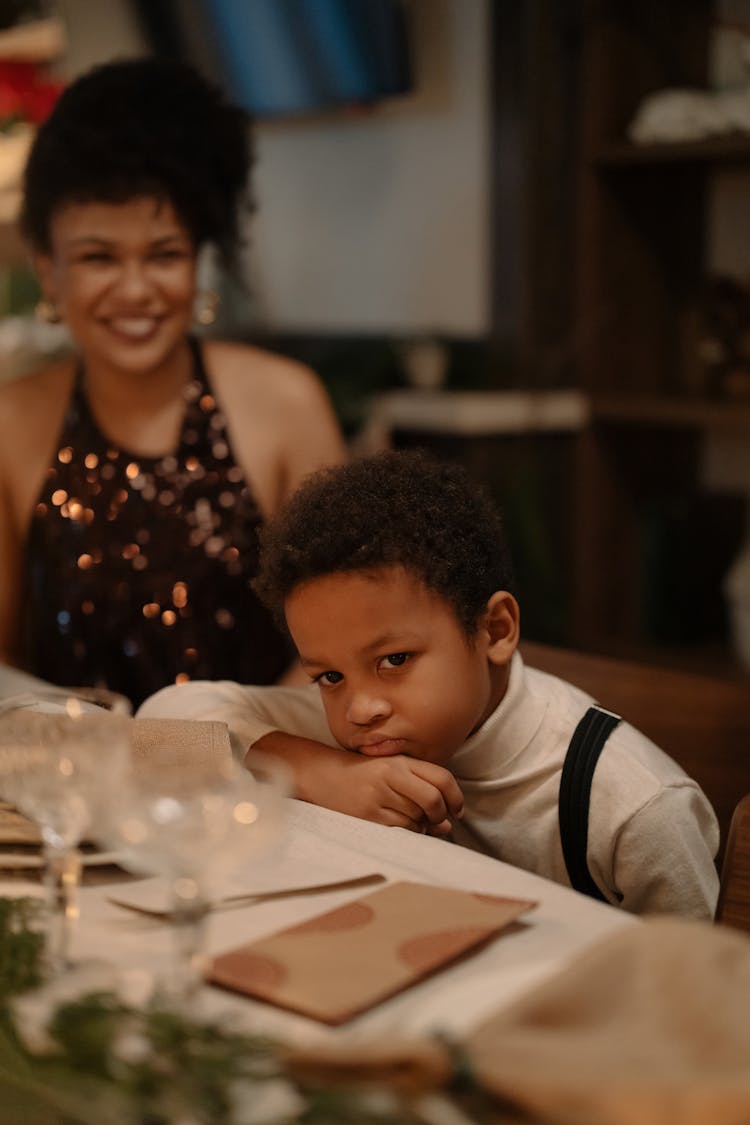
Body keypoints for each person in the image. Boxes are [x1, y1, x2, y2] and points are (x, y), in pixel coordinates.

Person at [139, 450, 720, 918]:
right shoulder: (358, 736)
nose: (360, 708)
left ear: (495, 629)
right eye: (330, 676)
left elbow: (701, 1002)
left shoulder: (635, 809)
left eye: (394, 660)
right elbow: (161, 718)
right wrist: (321, 773)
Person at [0, 58, 346, 709]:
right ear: (50, 273)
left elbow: (345, 645)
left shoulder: (286, 403)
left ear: (198, 262)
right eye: (98, 257)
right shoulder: (10, 421)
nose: (136, 291)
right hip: (72, 783)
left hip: (261, 784)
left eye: (164, 254)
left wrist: (225, 753)